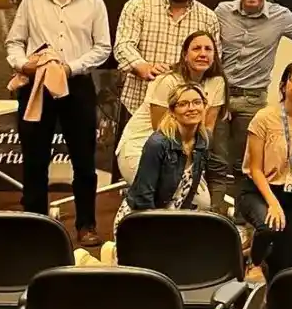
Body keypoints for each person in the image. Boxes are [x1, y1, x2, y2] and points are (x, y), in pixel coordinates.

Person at [4, 0, 110, 248]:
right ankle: (35, 223)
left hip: (76, 87)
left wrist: (69, 67)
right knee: (35, 158)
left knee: (83, 161)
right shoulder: (31, 2)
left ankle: (86, 225)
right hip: (36, 85)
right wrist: (21, 63)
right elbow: (14, 41)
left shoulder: (94, 3)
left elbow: (102, 48)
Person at [213, 0, 292, 211]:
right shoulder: (222, 11)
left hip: (252, 100)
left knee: (242, 163)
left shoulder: (280, 16)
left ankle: (242, 218)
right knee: (214, 160)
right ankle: (214, 216)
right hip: (218, 97)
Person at [90, 83, 215, 266]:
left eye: (197, 102)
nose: (192, 108)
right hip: (142, 219)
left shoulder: (204, 139)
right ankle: (91, 259)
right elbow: (143, 197)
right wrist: (157, 235)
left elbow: (202, 180)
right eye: (184, 104)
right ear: (172, 111)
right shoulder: (157, 143)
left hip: (172, 216)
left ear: (204, 106)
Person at [114, 0, 220, 122]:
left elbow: (214, 60)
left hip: (186, 111)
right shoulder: (138, 5)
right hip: (139, 105)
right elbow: (123, 45)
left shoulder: (208, 17)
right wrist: (142, 66)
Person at [239, 61, 292, 279]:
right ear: (283, 86)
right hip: (259, 191)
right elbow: (255, 169)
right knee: (269, 225)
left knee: (283, 266)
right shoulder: (264, 117)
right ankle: (251, 262)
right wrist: (273, 203)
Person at [115, 30, 224, 183]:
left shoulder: (217, 82)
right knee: (164, 197)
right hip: (143, 148)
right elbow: (161, 132)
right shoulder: (167, 80)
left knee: (202, 203)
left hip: (183, 154)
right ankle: (134, 202)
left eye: (208, 49)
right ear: (185, 55)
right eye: (196, 48)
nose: (202, 54)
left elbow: (207, 130)